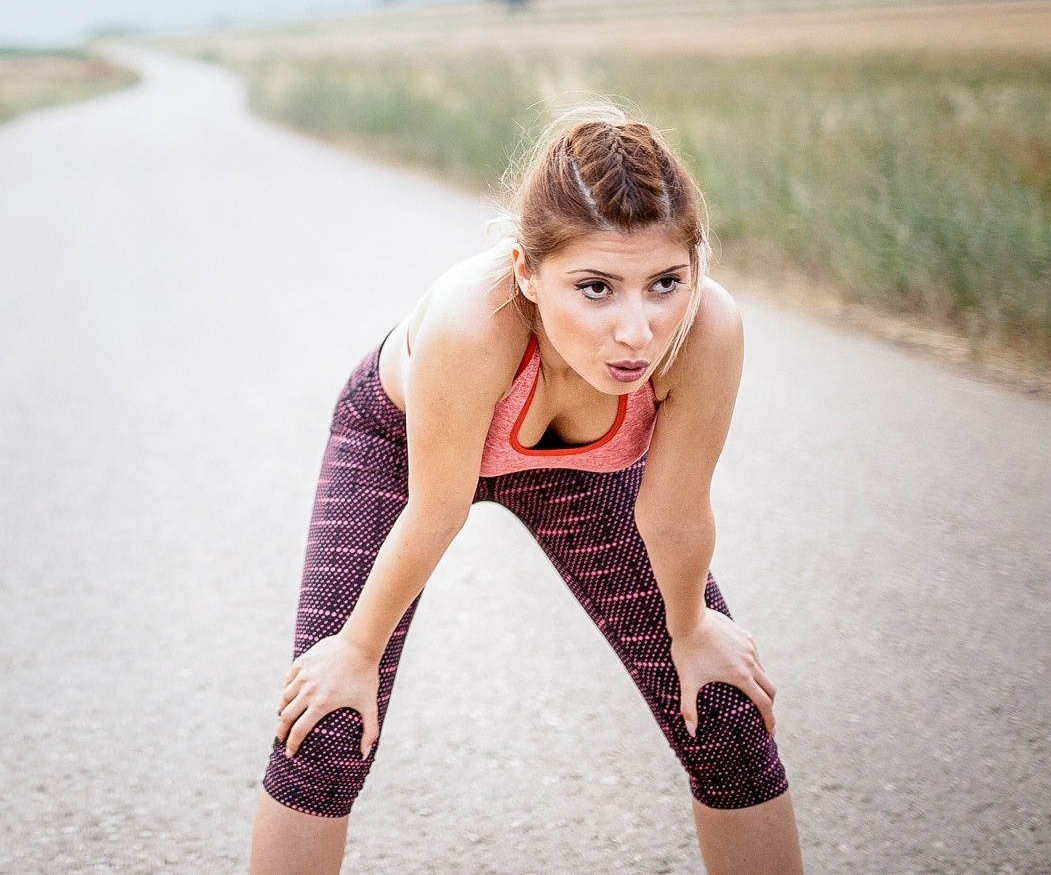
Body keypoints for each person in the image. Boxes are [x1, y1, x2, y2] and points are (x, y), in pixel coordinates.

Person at [249, 110, 803, 875]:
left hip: (584, 477)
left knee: (725, 718)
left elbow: (672, 514)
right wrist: (354, 649)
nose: (637, 332)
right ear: (526, 272)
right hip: (403, 451)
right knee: (329, 726)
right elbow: (435, 509)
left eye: (664, 283)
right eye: (595, 288)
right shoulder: (472, 324)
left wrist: (688, 628)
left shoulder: (705, 330)